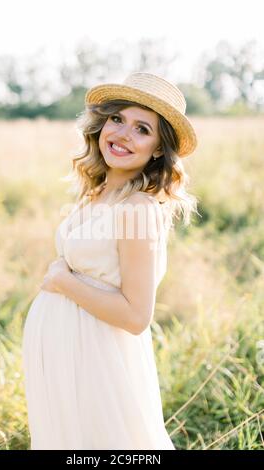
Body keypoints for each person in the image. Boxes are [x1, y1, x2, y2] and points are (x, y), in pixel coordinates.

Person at [21, 72, 198, 450]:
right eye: (117, 119)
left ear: (157, 149)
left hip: (100, 361)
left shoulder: (137, 208)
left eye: (142, 129)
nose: (122, 135)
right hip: (69, 358)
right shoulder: (99, 192)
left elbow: (136, 316)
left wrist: (62, 282)